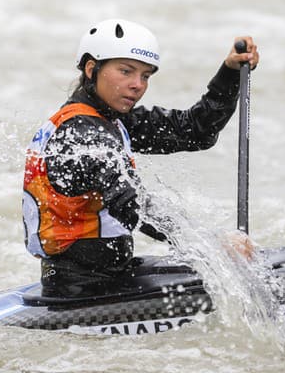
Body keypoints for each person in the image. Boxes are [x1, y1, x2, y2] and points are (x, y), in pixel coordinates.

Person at [22, 19, 258, 298]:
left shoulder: (112, 120)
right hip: (81, 288)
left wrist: (230, 73)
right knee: (226, 271)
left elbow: (195, 130)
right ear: (91, 69)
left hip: (111, 273)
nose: (137, 85)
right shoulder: (81, 135)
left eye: (145, 76)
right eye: (126, 71)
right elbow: (133, 204)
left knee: (230, 268)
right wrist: (214, 245)